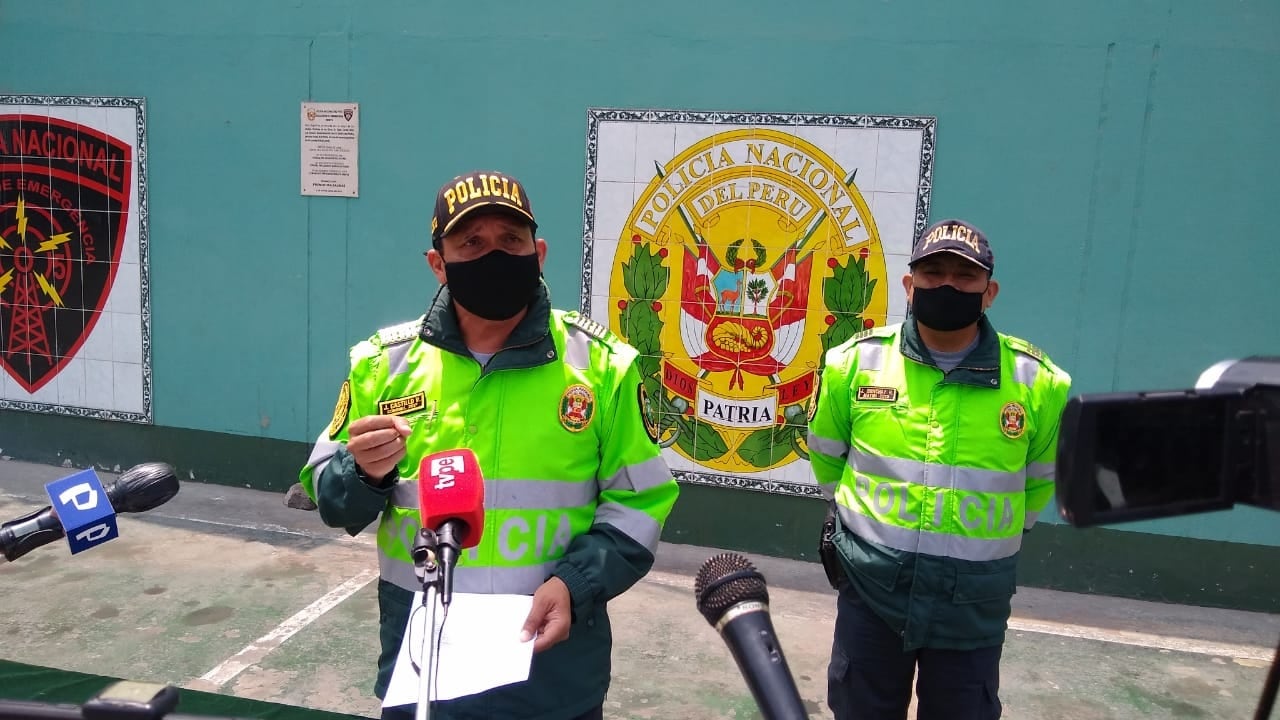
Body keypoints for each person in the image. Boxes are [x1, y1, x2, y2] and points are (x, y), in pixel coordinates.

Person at [298, 170, 681, 720]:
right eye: (471, 243)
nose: (494, 255)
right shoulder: (385, 366)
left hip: (552, 666)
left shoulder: (601, 369)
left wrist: (576, 584)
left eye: (511, 240)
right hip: (424, 665)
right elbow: (328, 496)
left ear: (538, 252)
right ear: (439, 263)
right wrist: (363, 473)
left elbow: (641, 503)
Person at [808, 219, 1072, 720]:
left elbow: (1038, 481)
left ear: (988, 292)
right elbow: (826, 456)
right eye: (932, 273)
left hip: (972, 602)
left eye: (964, 276)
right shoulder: (854, 365)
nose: (947, 285)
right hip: (873, 588)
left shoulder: (1037, 383)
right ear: (909, 286)